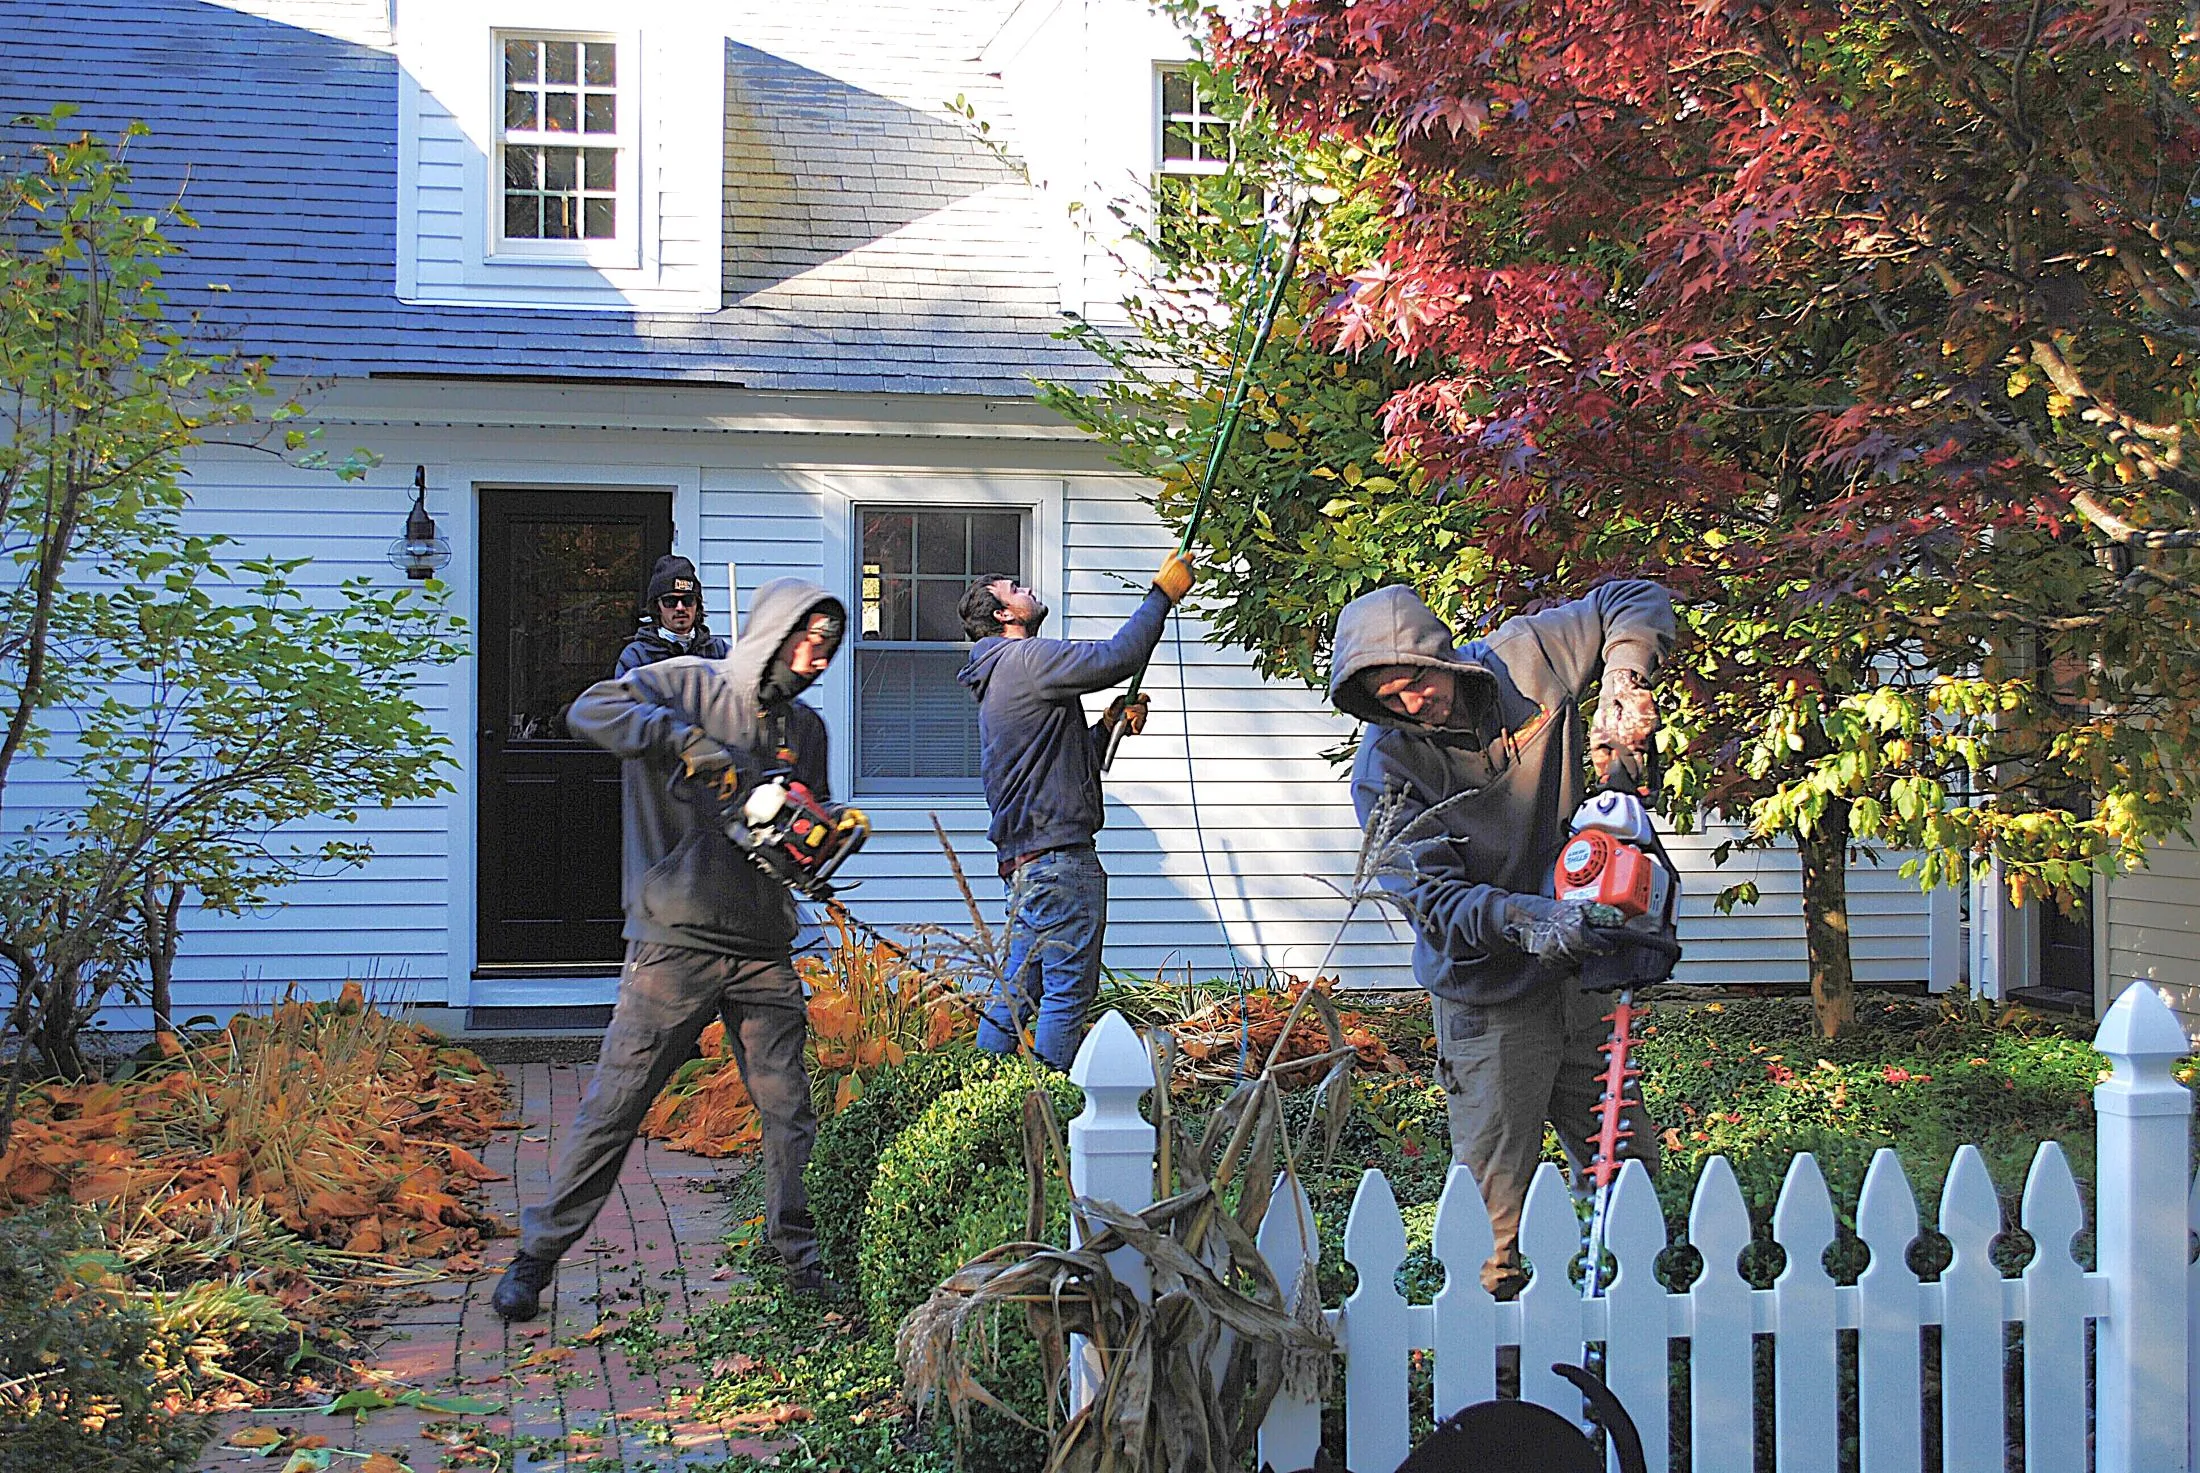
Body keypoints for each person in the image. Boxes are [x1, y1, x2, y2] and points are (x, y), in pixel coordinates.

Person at [493, 578, 847, 1320]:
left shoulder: (806, 731)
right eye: (806, 638)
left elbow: (786, 842)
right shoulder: (683, 684)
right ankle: (534, 1260)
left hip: (762, 944)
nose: (817, 656)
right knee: (615, 1105)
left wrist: (820, 842)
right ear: (774, 633)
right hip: (673, 940)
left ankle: (801, 1262)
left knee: (789, 1111)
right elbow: (589, 708)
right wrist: (681, 738)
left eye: (829, 645)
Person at [1327, 580, 1675, 1296]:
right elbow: (1433, 900)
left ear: (1444, 657)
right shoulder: (1387, 769)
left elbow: (1630, 597)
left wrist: (1622, 680)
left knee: (1627, 1174)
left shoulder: (1529, 657)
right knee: (1496, 1219)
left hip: (1585, 983)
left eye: (1418, 681)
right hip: (1488, 1006)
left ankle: (1633, 1321)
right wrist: (1527, 919)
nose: (1412, 704)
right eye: (1391, 697)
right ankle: (1499, 1373)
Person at [955, 554, 1195, 1070]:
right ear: (1003, 614)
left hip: (1028, 864)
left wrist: (1107, 726)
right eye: (1013, 586)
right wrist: (1161, 595)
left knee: (1018, 991)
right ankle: (1046, 1115)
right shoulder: (1023, 660)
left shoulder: (1002, 676)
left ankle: (980, 1103)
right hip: (1059, 862)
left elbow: (1061, 760)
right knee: (1066, 993)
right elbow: (1118, 657)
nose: (1027, 589)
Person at [614, 554, 730, 675]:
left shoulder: (719, 652)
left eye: (688, 600)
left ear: (698, 604)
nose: (680, 607)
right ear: (657, 606)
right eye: (670, 601)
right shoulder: (637, 657)